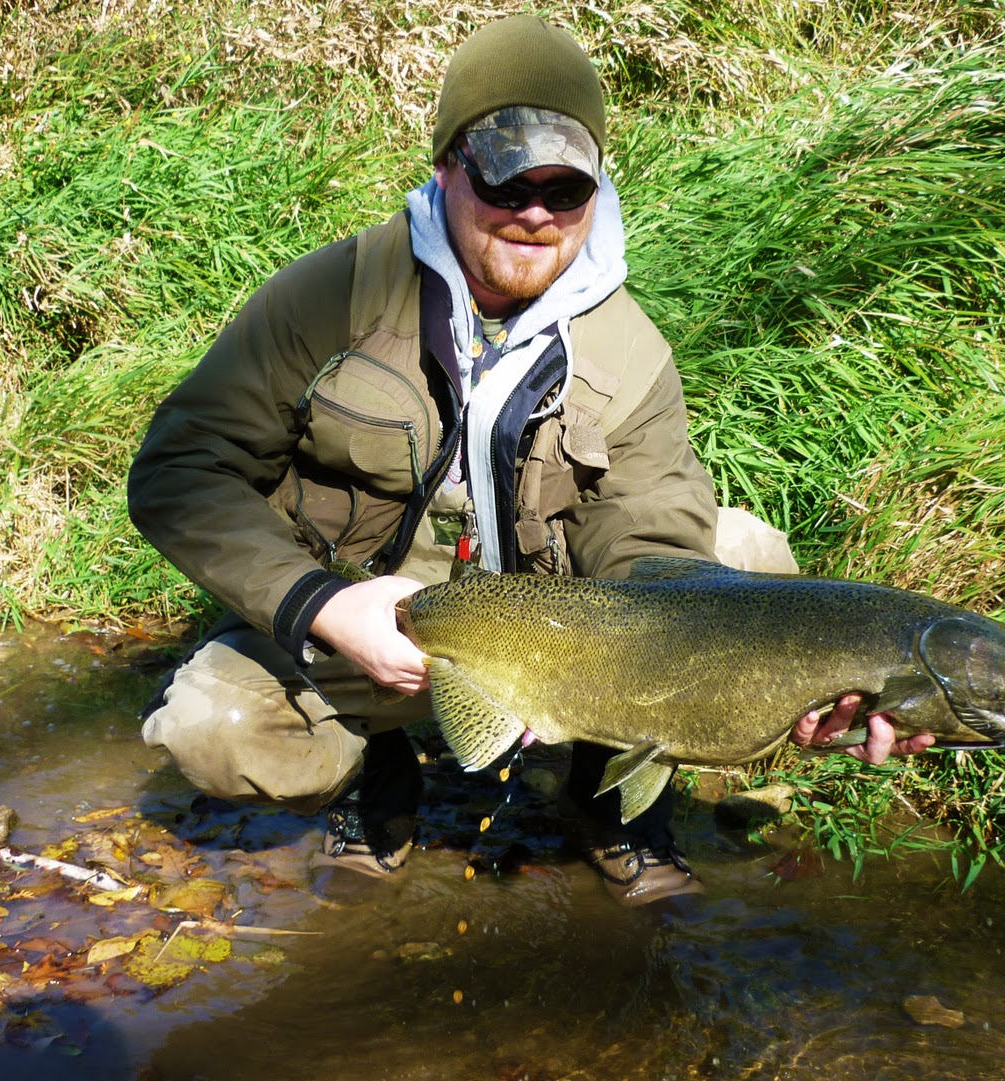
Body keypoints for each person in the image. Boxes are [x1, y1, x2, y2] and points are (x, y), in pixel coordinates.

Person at [127, 14, 932, 907]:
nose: (536, 212)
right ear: (447, 169)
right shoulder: (329, 301)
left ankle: (607, 794)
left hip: (563, 642)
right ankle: (377, 770)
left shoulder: (628, 351)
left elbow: (650, 531)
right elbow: (178, 471)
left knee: (748, 561)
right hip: (378, 625)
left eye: (565, 185)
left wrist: (777, 685)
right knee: (214, 726)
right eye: (506, 179)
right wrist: (322, 604)